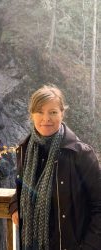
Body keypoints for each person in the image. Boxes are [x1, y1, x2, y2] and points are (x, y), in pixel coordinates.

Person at [9, 85, 101, 250]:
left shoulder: (80, 154)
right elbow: (23, 187)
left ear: (62, 113)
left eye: (53, 112)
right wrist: (15, 205)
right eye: (40, 112)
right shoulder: (26, 149)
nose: (46, 119)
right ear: (32, 114)